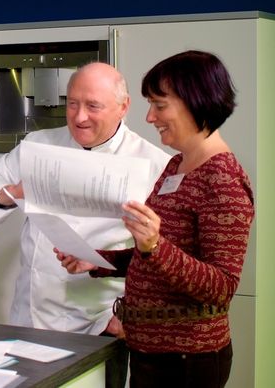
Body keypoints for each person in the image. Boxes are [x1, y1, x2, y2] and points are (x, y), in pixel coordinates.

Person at [55, 51, 255, 388]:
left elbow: (221, 289)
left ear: (196, 102)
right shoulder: (177, 165)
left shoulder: (222, 179)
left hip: (187, 359)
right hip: (153, 352)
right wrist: (98, 261)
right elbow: (152, 257)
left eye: (160, 105)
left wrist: (155, 246)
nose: (149, 117)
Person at [0, 62, 170, 387]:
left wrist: (127, 316)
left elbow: (163, 258)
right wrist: (13, 192)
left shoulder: (154, 164)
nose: (79, 117)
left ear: (124, 107)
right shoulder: (39, 144)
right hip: (31, 317)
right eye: (72, 103)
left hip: (99, 324)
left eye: (93, 106)